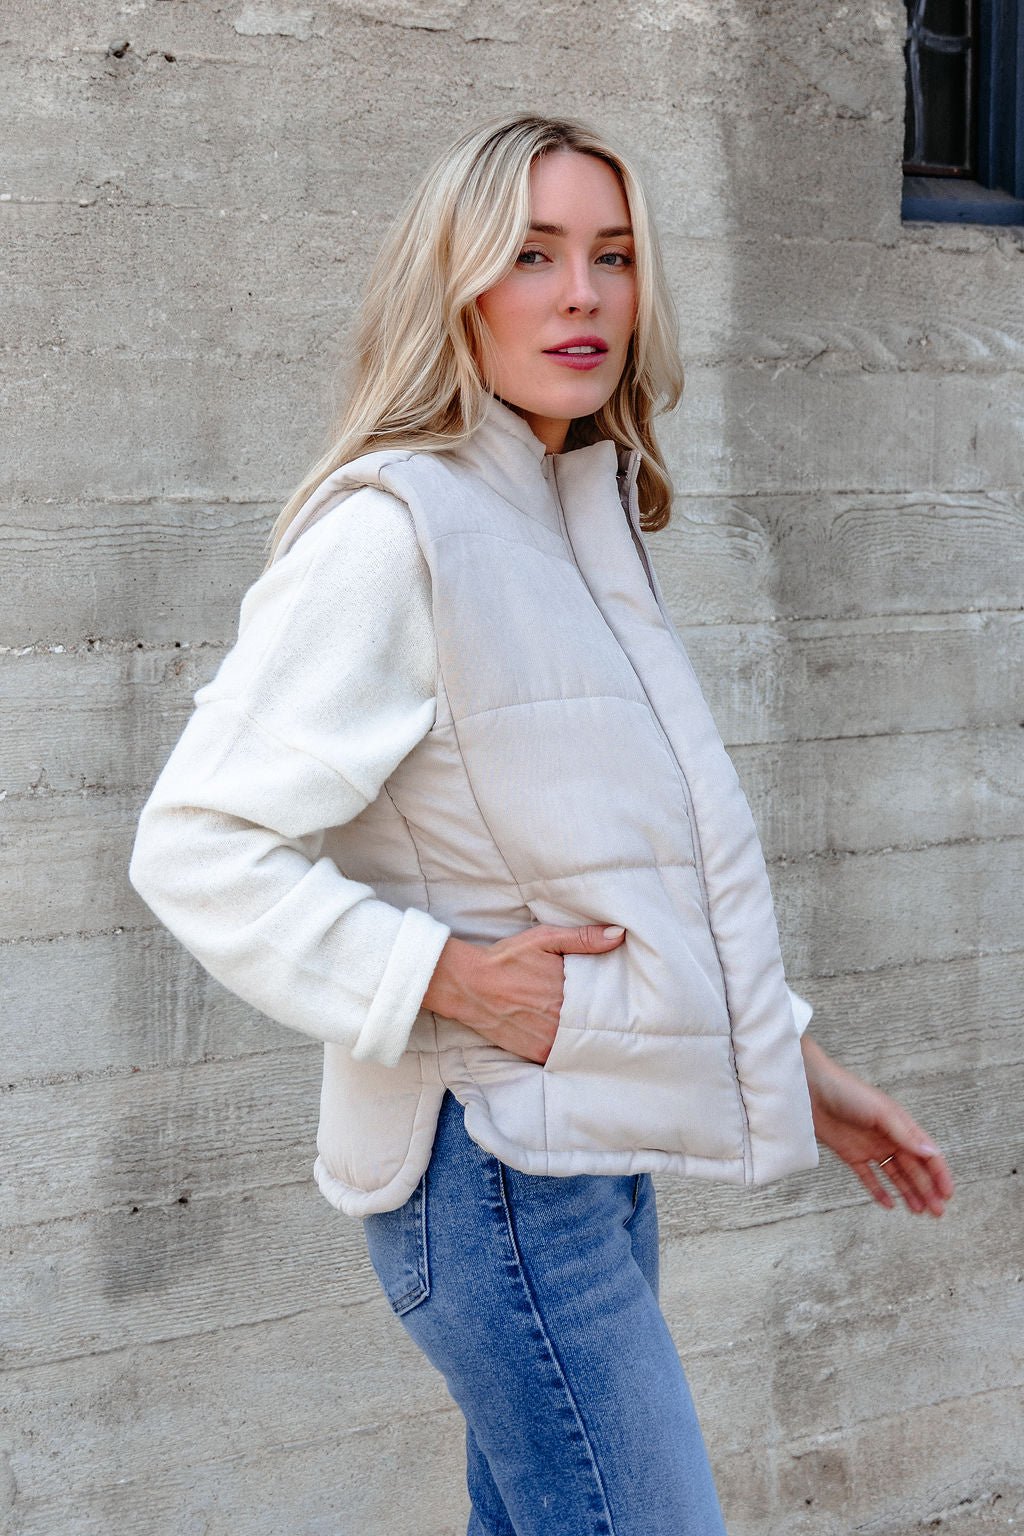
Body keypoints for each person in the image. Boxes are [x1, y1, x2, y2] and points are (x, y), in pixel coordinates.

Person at [128, 112, 955, 1535]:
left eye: (613, 256)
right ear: (455, 287)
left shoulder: (578, 521)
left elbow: (634, 878)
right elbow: (195, 843)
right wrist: (446, 978)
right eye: (532, 254)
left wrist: (796, 1065)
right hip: (491, 1170)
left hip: (589, 1157)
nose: (583, 294)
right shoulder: (395, 530)